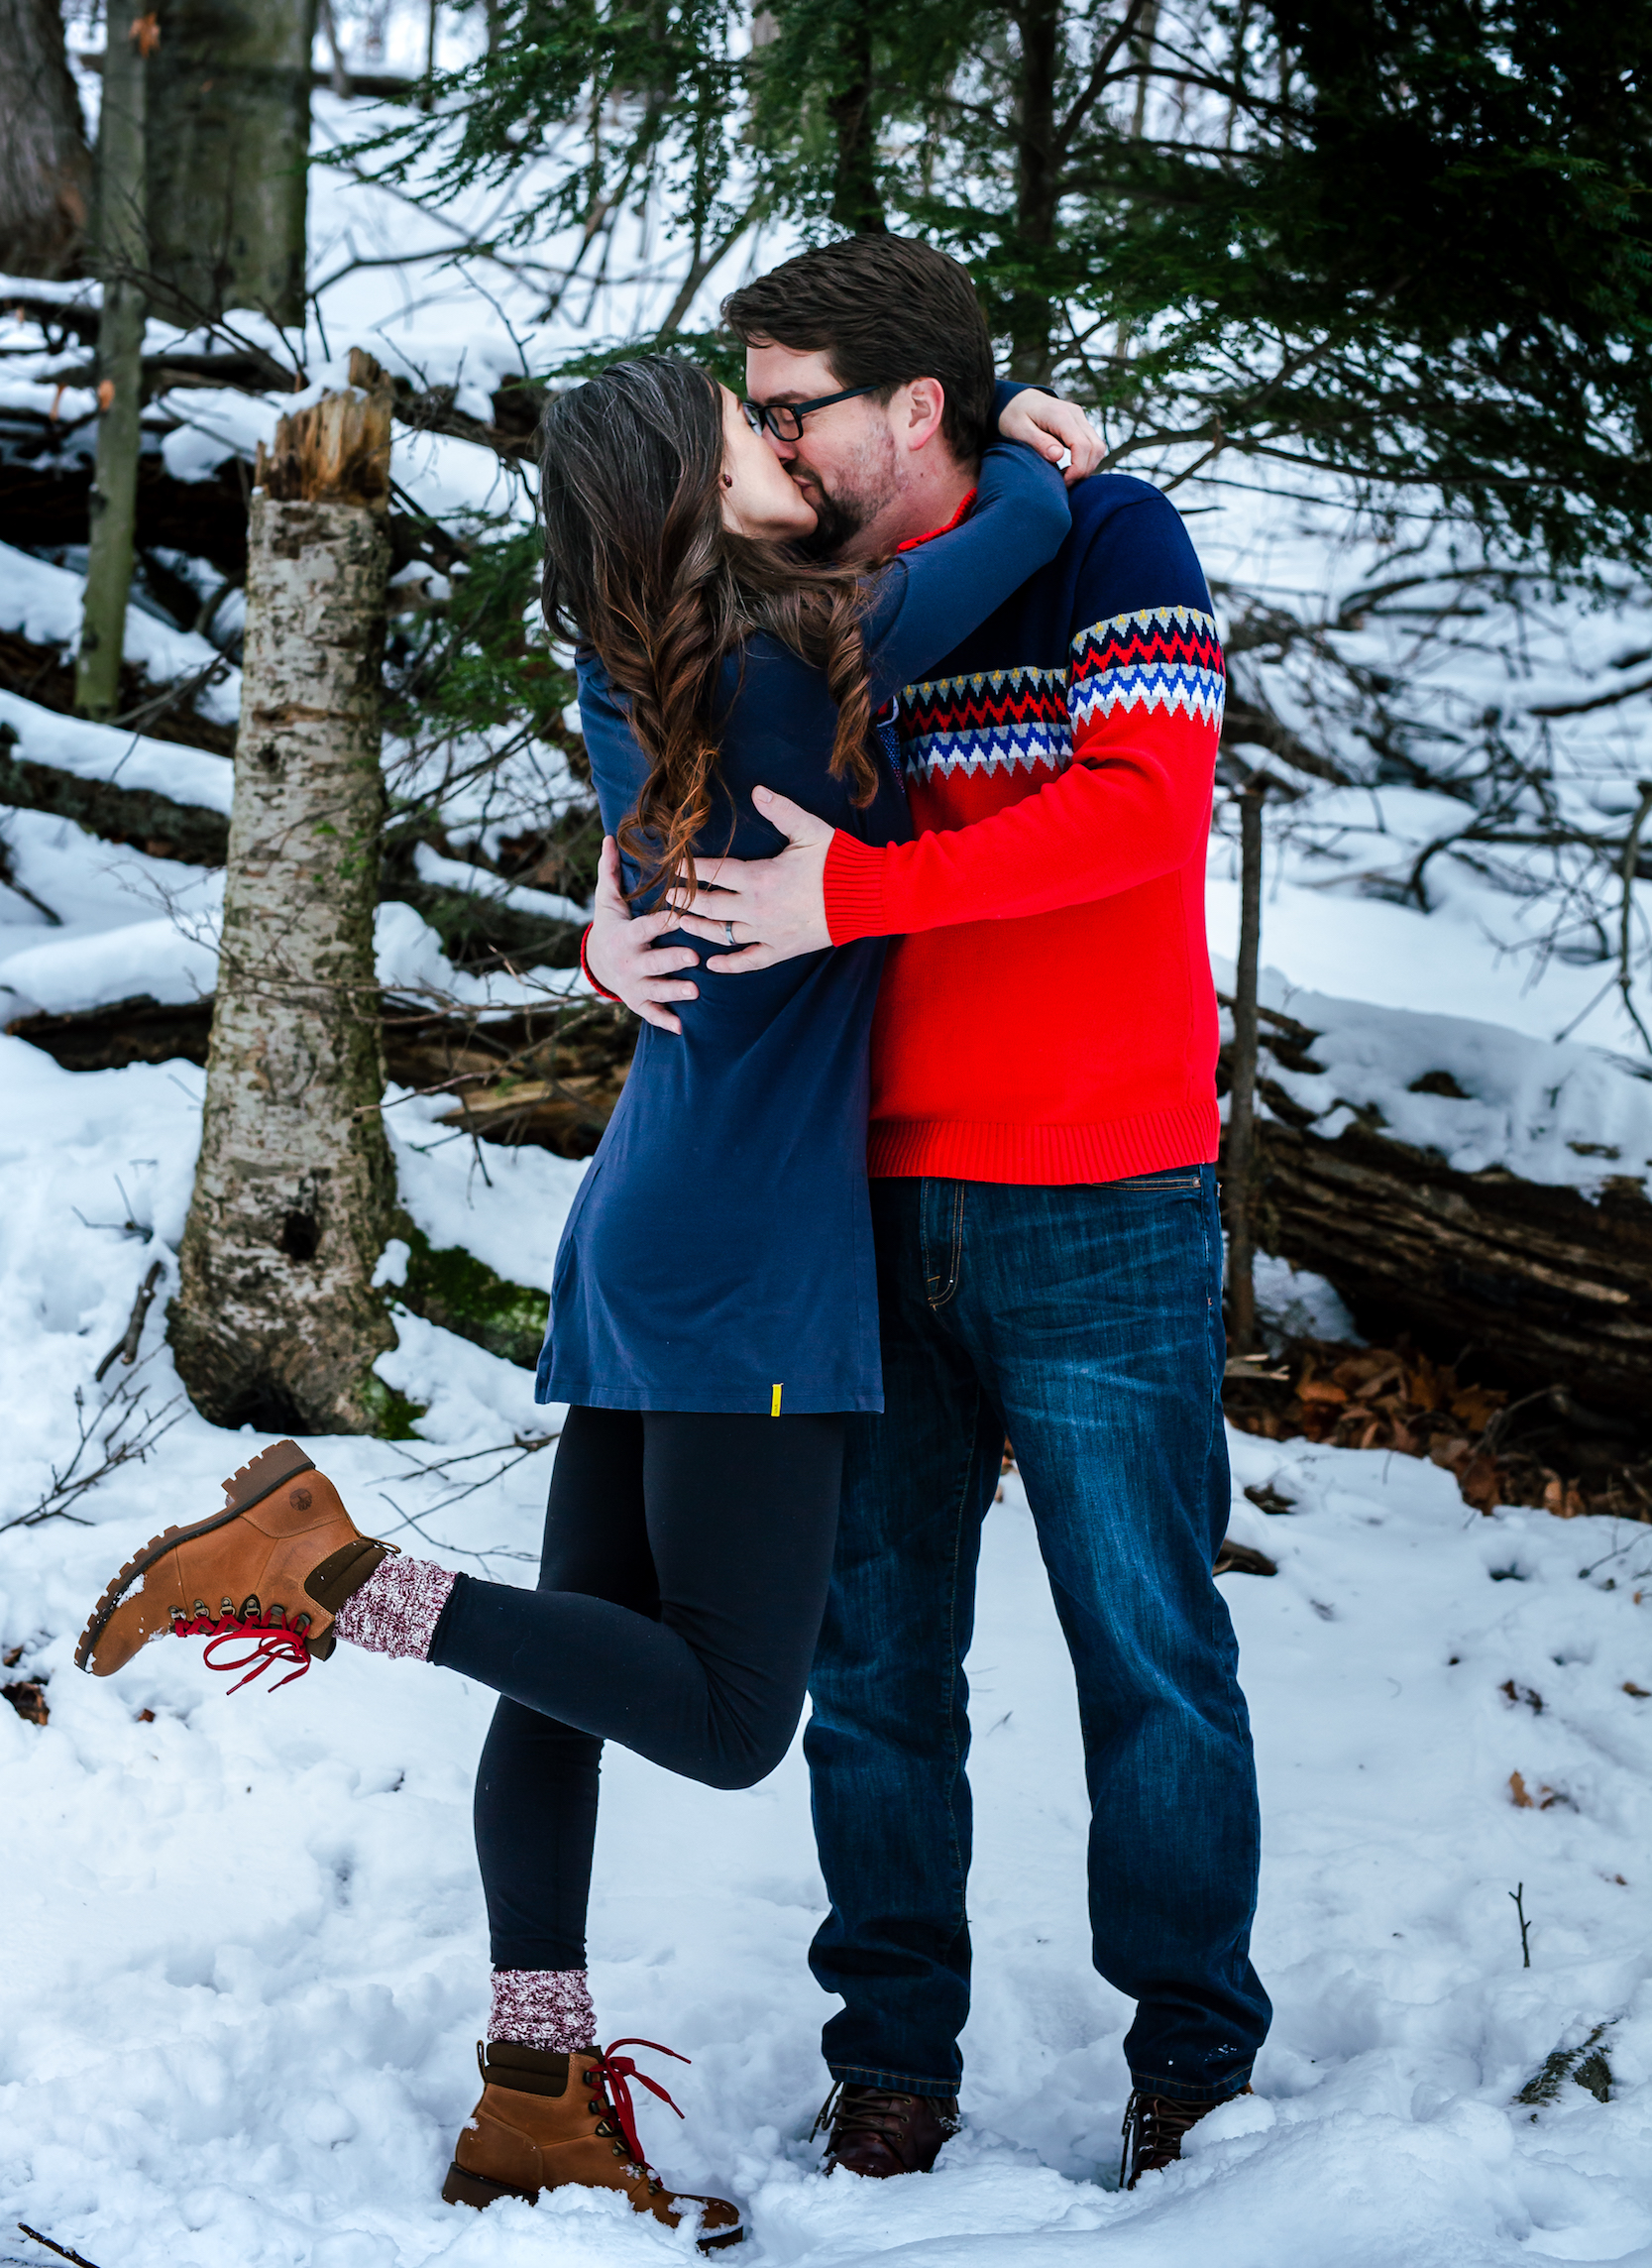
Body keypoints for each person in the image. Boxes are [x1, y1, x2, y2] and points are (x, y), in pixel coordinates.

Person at [73, 350, 1077, 2248]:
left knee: (572, 1656)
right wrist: (1009, 416)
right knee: (719, 1714)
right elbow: (1006, 526)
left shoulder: (650, 683)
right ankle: (327, 1574)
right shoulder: (799, 660)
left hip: (653, 1216)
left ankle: (533, 2095)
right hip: (750, 1252)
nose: (785, 448)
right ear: (684, 500)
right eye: (745, 434)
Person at [586, 234, 1271, 2193]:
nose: (774, 439)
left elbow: (1146, 806)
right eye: (758, 413)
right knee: (871, 1661)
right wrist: (608, 913)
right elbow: (680, 780)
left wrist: (856, 894)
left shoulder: (1108, 541)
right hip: (854, 1209)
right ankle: (891, 2054)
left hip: (1101, 1189)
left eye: (795, 403)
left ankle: (1197, 2058)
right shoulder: (802, 601)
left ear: (915, 408)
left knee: (1149, 1641)